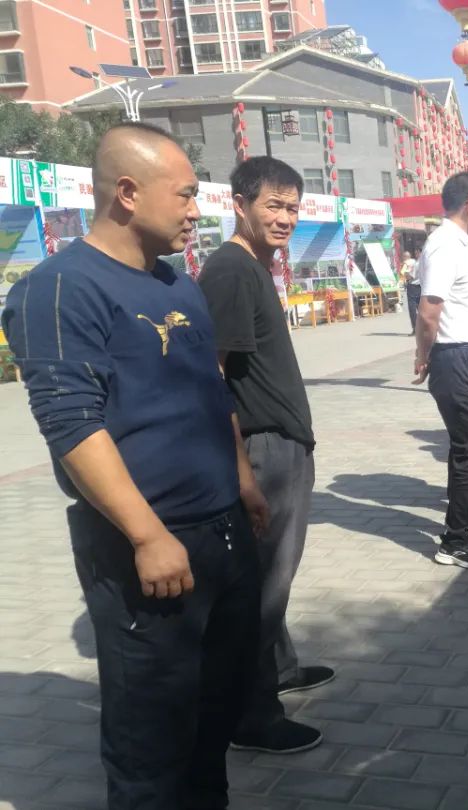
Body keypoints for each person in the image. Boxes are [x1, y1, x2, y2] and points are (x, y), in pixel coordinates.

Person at [1, 123, 265, 809]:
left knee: (214, 711)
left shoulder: (177, 283)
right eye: (185, 194)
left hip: (222, 532)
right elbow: (71, 424)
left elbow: (211, 388)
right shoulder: (60, 289)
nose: (196, 211)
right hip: (144, 546)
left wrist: (242, 480)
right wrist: (147, 536)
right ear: (126, 192)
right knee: (151, 736)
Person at [198, 156, 332, 755]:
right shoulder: (231, 271)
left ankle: (278, 668)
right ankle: (251, 715)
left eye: (293, 208)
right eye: (273, 205)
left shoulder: (253, 267)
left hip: (282, 444)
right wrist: (242, 474)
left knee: (274, 575)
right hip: (263, 450)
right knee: (262, 586)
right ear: (240, 205)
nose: (285, 218)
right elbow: (211, 377)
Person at [413, 172, 468, 569]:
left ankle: (463, 521)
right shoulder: (445, 245)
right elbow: (429, 310)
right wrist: (423, 354)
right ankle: (455, 540)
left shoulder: (460, 244)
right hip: (456, 356)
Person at [402, 250, 421, 334]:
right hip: (422, 286)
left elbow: (410, 277)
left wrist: (406, 273)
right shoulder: (422, 263)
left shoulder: (415, 264)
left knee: (412, 308)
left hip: (413, 286)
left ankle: (416, 328)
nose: (415, 255)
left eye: (416, 253)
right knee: (421, 308)